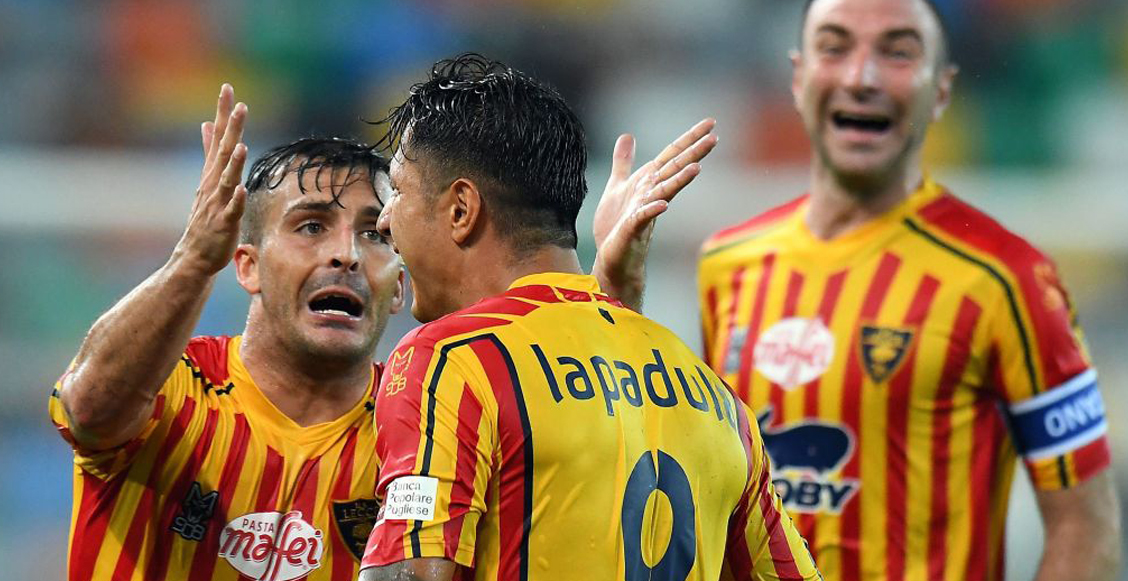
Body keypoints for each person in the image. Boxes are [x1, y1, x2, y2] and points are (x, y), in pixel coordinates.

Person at [48, 82, 715, 580]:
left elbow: (595, 478)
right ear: (245, 263)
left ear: (400, 282)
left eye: (373, 232)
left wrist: (612, 292)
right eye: (311, 226)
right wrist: (194, 259)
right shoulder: (177, 385)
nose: (346, 253)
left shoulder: (429, 421)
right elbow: (90, 409)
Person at [696, 0, 1120, 580]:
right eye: (834, 47)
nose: (861, 76)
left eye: (897, 52)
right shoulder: (726, 265)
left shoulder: (1006, 279)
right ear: (798, 76)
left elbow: (1087, 526)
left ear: (941, 90)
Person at [357, 53, 820, 581]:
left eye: (398, 191)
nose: (385, 221)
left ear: (461, 209)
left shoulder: (450, 360)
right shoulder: (716, 398)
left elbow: (410, 575)